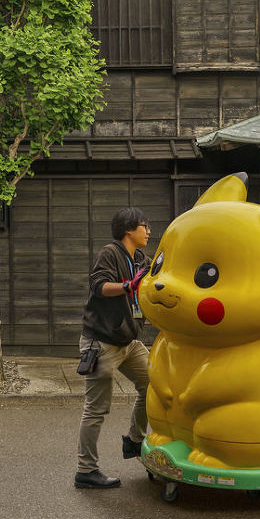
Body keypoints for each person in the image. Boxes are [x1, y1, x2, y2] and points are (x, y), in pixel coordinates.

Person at [74, 206, 152, 489]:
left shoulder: (141, 258)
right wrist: (128, 286)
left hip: (129, 342)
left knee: (153, 385)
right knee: (96, 409)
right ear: (129, 229)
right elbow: (99, 286)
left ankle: (134, 440)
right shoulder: (110, 253)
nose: (149, 231)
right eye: (145, 226)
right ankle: (86, 471)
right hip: (101, 343)